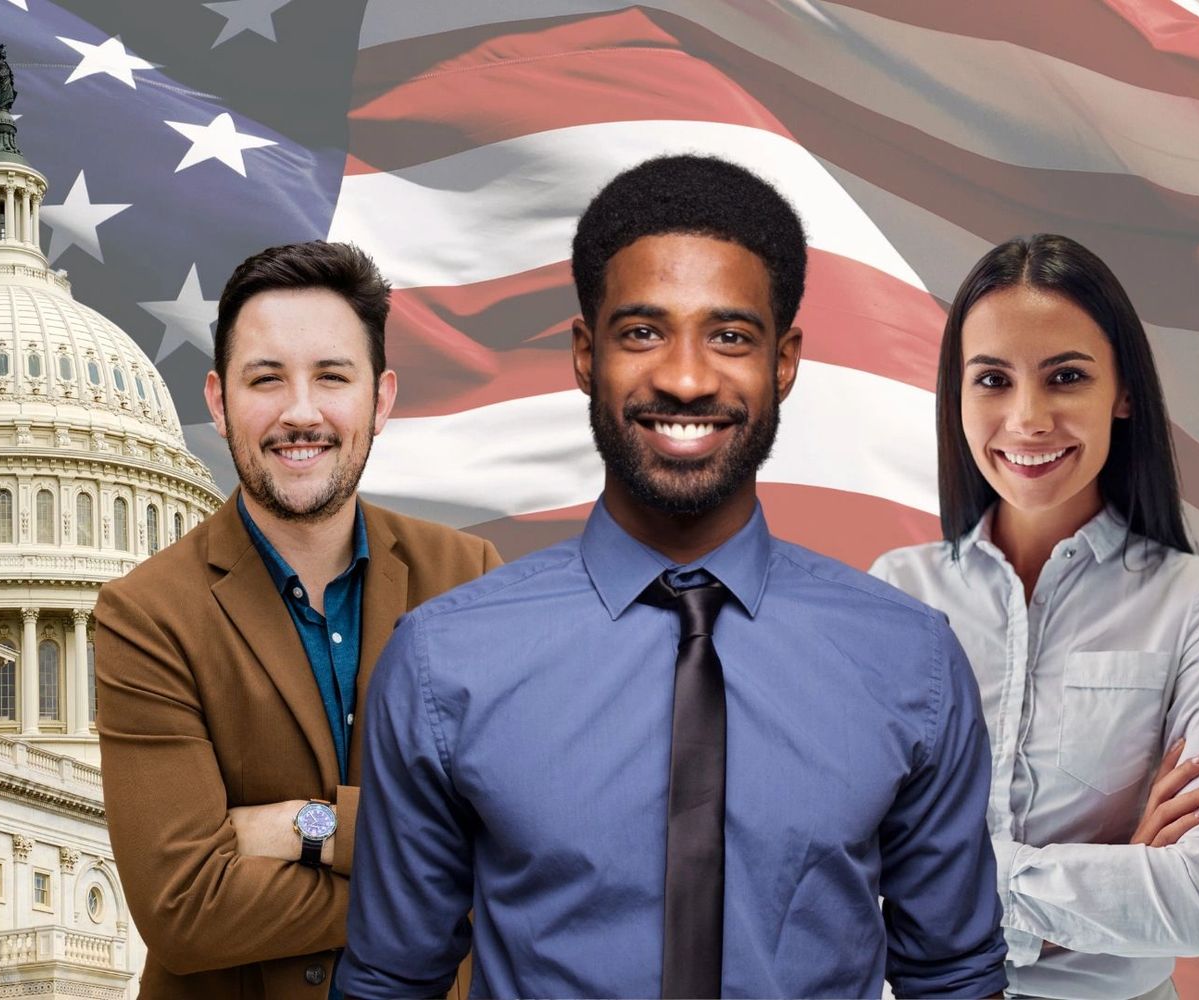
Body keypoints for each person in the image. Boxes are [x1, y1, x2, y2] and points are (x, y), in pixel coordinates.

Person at [336, 154, 1008, 999]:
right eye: (643, 332)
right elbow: (392, 982)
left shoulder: (912, 665)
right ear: (585, 354)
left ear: (785, 361)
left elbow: (953, 978)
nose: (686, 379)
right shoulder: (443, 665)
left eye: (730, 335)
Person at [93, 241, 502, 999]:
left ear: (380, 400)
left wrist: (300, 827)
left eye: (332, 377)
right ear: (218, 402)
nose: (301, 412)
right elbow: (184, 910)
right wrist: (440, 882)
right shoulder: (144, 615)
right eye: (267, 379)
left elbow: (521, 845)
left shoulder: (469, 578)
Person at [870, 234, 1199, 1000]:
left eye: (1066, 377)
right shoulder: (895, 596)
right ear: (958, 396)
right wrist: (1112, 881)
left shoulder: (1196, 600)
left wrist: (961, 886)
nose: (1027, 418)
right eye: (993, 380)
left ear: (1123, 392)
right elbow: (841, 879)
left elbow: (1197, 903)